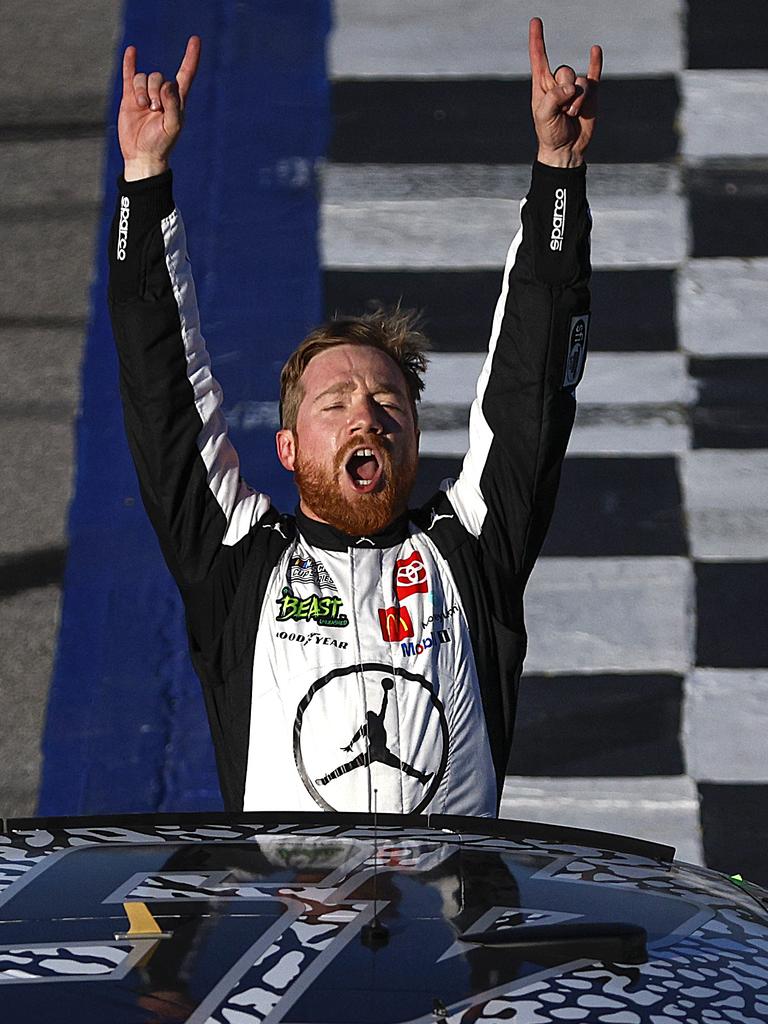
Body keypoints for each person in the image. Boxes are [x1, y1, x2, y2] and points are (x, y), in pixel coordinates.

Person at [109, 19, 602, 815]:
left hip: (447, 934)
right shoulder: (235, 561)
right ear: (289, 447)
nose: (364, 418)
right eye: (333, 406)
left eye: (385, 404)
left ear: (413, 436)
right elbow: (161, 390)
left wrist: (559, 173)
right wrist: (142, 179)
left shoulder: (471, 550)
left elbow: (531, 389)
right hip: (291, 931)